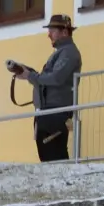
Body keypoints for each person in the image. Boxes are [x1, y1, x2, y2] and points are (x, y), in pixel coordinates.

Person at [13, 14, 82, 162]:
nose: (49, 34)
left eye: (52, 30)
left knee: (54, 156)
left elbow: (56, 78)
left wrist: (30, 76)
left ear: (65, 31)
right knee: (49, 155)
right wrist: (28, 74)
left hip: (55, 112)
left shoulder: (68, 52)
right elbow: (50, 80)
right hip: (49, 112)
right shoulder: (62, 52)